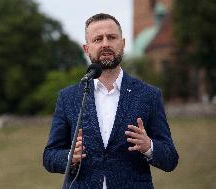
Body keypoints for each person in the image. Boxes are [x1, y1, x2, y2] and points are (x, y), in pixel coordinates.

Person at [43, 13, 178, 189]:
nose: (105, 43)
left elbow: (170, 159)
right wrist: (70, 157)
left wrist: (149, 146)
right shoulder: (69, 97)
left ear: (122, 43)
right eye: (98, 39)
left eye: (111, 37)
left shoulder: (148, 95)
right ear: (86, 48)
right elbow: (49, 156)